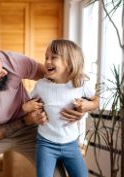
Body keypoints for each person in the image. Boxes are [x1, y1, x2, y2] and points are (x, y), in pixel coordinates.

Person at [0, 47, 87, 177]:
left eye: (0, 65)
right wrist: (27, 119)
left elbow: (54, 76)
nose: (4, 72)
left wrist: (82, 106)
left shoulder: (11, 61)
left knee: (56, 175)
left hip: (30, 130)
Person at [22, 39, 99, 177]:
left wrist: (88, 105)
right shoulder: (41, 85)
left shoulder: (80, 84)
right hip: (46, 144)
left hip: (71, 144)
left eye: (53, 57)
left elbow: (96, 101)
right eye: (46, 57)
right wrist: (26, 107)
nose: (47, 61)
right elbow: (26, 104)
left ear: (69, 62)